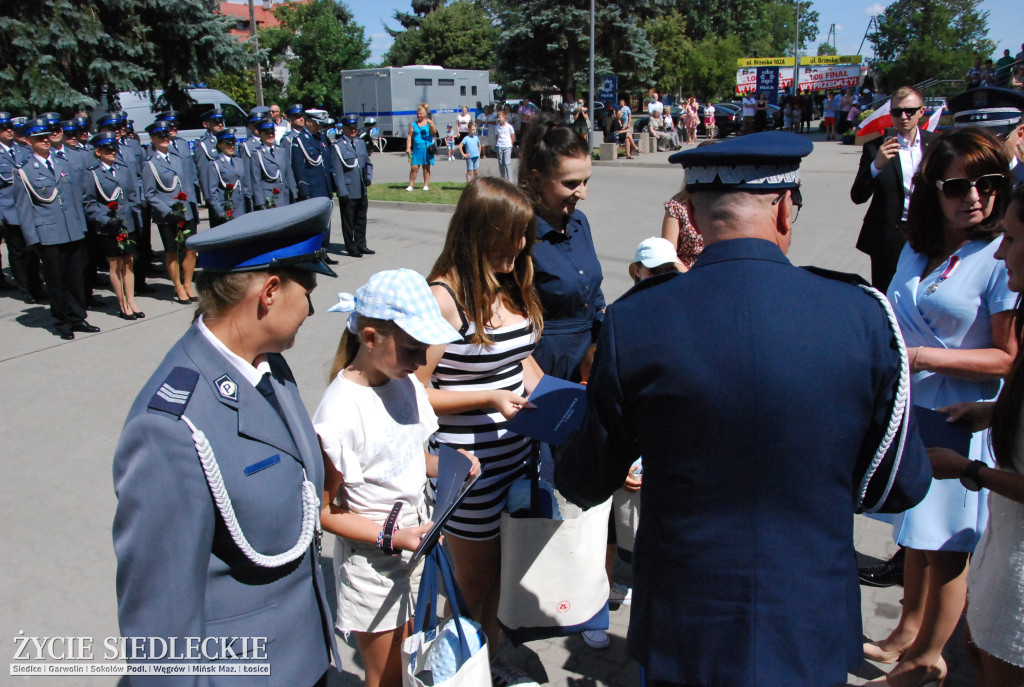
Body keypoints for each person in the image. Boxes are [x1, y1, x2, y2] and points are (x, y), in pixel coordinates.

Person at [554, 131, 932, 687]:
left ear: (693, 219)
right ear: (784, 208)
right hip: (809, 621)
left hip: (686, 624)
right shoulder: (862, 314)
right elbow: (899, 486)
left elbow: (586, 479)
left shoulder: (636, 321)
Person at [112, 199, 340, 686]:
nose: (313, 307)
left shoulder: (267, 363)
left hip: (306, 658)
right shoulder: (169, 428)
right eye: (309, 289)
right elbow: (159, 630)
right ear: (271, 293)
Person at [862, 128, 1016, 687]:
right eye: (958, 186)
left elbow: (1008, 359)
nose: (974, 196)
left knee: (946, 545)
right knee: (913, 531)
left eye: (989, 183)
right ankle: (907, 630)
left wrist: (924, 355)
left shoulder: (1001, 255)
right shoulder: (916, 245)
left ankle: (926, 661)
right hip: (911, 406)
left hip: (963, 415)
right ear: (933, 189)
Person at [314, 268, 475, 687]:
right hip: (374, 562)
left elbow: (405, 455)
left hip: (415, 545)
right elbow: (327, 512)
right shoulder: (340, 410)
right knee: (385, 676)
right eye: (411, 349)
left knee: (408, 663)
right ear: (370, 338)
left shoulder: (402, 382)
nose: (422, 362)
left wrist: (451, 465)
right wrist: (392, 539)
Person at [416, 178, 544, 687]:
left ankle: (486, 664)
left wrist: (553, 398)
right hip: (467, 471)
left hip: (513, 461)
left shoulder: (506, 280)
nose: (520, 246)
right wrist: (488, 398)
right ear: (478, 230)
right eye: (510, 235)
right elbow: (413, 393)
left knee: (495, 584)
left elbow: (518, 361)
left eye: (524, 236)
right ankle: (460, 673)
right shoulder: (443, 299)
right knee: (469, 591)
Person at [927, 183, 1024, 687]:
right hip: (1003, 557)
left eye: (1010, 238)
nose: (1000, 251)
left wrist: (970, 469)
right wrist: (992, 412)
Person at [13, 116, 96, 340]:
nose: (45, 141)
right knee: (57, 281)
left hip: (72, 230)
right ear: (29, 141)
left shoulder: (62, 163)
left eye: (46, 137)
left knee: (76, 278)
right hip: (48, 234)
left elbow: (75, 198)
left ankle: (78, 317)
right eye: (39, 139)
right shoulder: (24, 171)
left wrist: (81, 228)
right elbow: (24, 208)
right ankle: (62, 322)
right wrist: (33, 239)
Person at [851, 86, 939, 292]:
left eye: (909, 111)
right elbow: (858, 195)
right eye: (897, 112)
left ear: (921, 111)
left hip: (926, 232)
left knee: (923, 291)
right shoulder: (876, 147)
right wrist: (876, 165)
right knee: (887, 294)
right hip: (888, 237)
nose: (903, 117)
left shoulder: (935, 145)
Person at [82, 131, 143, 320]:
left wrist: (137, 220)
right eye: (108, 149)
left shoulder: (123, 169)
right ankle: (123, 303)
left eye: (114, 148)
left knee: (129, 262)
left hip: (126, 223)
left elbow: (133, 196)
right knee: (116, 264)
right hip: (109, 225)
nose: (112, 152)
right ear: (98, 151)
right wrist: (106, 219)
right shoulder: (92, 174)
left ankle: (131, 300)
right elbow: (89, 204)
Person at [142, 120, 197, 305]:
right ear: (152, 139)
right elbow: (150, 194)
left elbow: (186, 183)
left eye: (166, 135)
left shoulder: (176, 157)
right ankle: (178, 286)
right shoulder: (150, 164)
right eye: (160, 136)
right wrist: (167, 211)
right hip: (167, 214)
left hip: (184, 210)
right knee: (172, 252)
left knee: (190, 250)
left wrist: (191, 205)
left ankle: (188, 284)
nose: (164, 139)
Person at [0, 111, 44, 302]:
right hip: (9, 209)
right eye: (3, 128)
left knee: (33, 250)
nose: (9, 130)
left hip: (29, 207)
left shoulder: (23, 150)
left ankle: (37, 286)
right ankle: (25, 289)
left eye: (10, 127)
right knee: (18, 252)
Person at [947, 86, 1024, 187]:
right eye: (971, 139)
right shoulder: (948, 187)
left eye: (993, 138)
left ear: (1020, 135)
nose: (982, 145)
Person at [328, 114, 374, 258]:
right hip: (348, 189)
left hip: (361, 188)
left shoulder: (360, 143)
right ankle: (351, 246)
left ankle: (361, 244)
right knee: (348, 221)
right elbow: (337, 170)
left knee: (361, 218)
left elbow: (367, 163)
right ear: (344, 129)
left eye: (355, 128)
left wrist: (368, 177)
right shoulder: (337, 146)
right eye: (350, 128)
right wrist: (342, 191)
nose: (353, 130)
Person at [201, 130, 247, 228]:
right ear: (220, 145)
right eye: (228, 144)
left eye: (233, 143)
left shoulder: (239, 161)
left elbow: (245, 186)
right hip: (227, 210)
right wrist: (222, 213)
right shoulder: (215, 164)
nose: (232, 146)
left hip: (241, 209)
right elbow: (213, 192)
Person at [250, 118, 296, 210]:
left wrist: (294, 193)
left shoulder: (281, 151)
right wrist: (260, 202)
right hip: (269, 197)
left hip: (284, 194)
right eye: (267, 133)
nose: (270, 135)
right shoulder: (257, 154)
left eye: (272, 133)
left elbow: (288, 174)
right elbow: (256, 180)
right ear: (260, 134)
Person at [660, 186, 704, 270]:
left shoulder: (727, 201)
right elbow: (667, 253)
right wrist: (690, 277)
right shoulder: (677, 205)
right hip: (687, 273)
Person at [405, 104, 437, 192]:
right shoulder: (413, 124)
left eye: (420, 114)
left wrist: (431, 125)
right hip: (417, 150)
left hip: (427, 149)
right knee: (414, 167)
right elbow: (409, 137)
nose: (419, 115)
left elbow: (434, 133)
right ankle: (411, 186)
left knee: (426, 168)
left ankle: (426, 185)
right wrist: (408, 148)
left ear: (425, 114)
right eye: (418, 114)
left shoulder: (429, 123)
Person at [494, 109, 515, 181]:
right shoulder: (497, 127)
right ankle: (503, 179)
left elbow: (512, 136)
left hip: (507, 146)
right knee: (501, 163)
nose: (498, 119)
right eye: (498, 117)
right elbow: (496, 136)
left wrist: (511, 144)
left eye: (500, 117)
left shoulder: (509, 127)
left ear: (505, 118)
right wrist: (498, 143)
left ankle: (510, 180)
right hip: (499, 145)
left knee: (507, 162)